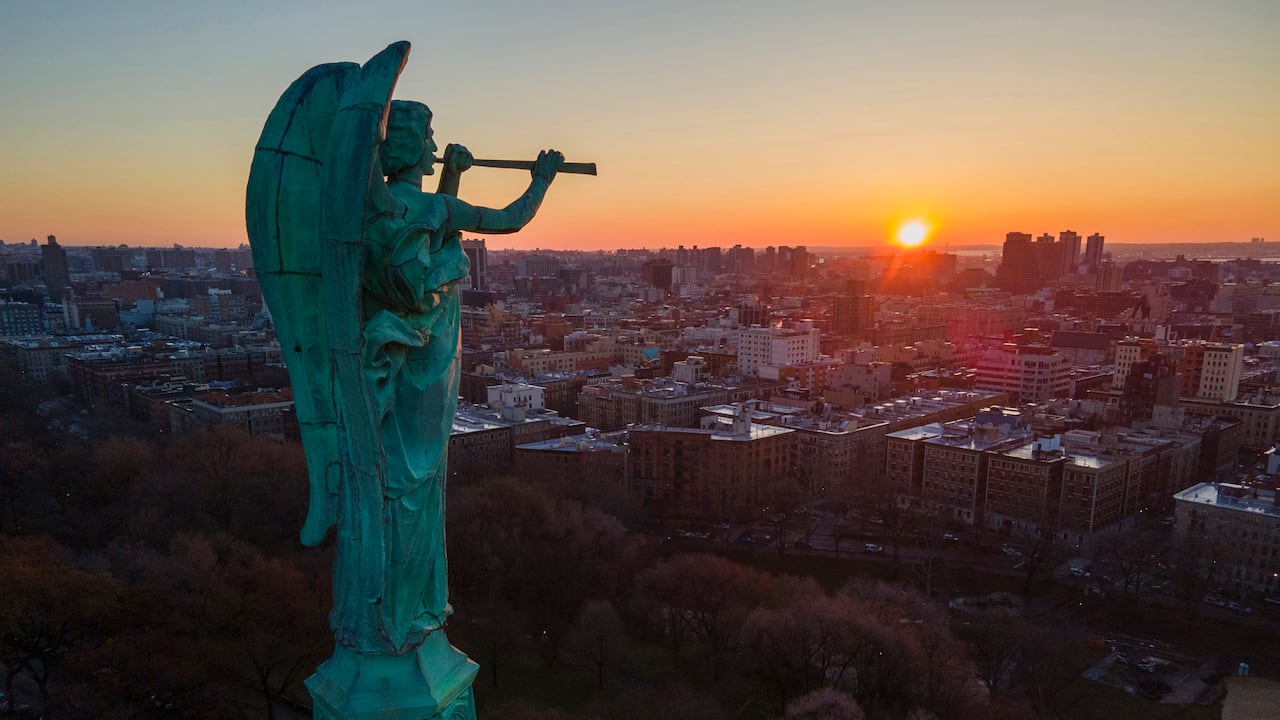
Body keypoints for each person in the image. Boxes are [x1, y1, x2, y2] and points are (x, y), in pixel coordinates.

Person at [331, 99, 565, 653]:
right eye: (431, 137)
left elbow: (426, 228)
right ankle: (405, 612)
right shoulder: (430, 210)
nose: (437, 146)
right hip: (431, 357)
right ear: (415, 147)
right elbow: (506, 220)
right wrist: (543, 178)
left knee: (402, 478)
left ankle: (393, 603)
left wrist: (454, 176)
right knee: (415, 483)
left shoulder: (372, 212)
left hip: (400, 359)